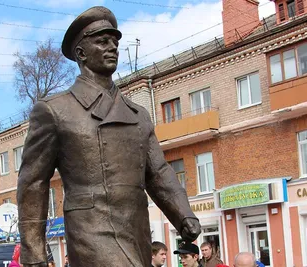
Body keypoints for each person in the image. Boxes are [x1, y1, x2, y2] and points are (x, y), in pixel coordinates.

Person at [17, 6, 201, 267]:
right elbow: (32, 182)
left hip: (136, 228)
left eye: (114, 42)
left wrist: (183, 215)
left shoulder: (138, 114)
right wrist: (33, 251)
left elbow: (158, 171)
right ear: (81, 53)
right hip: (91, 231)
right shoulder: (55, 110)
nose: (113, 47)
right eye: (102, 41)